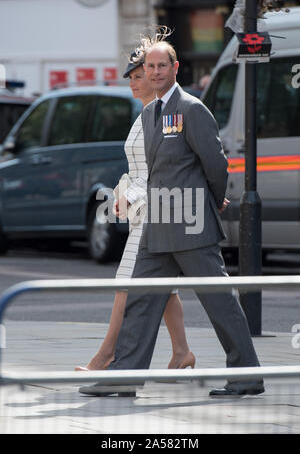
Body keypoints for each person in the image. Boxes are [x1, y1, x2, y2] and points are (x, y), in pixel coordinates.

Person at [79, 33, 264, 398]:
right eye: (151, 66)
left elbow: (215, 163)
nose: (156, 71)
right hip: (157, 222)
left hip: (191, 221)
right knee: (140, 299)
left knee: (220, 301)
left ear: (175, 68)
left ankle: (247, 376)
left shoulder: (192, 108)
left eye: (163, 65)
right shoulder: (149, 113)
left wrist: (213, 200)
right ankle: (122, 379)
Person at [75, 50, 195, 372]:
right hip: (145, 210)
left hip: (157, 211)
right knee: (161, 286)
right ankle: (182, 352)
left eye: (139, 75)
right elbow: (139, 169)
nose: (134, 82)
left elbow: (163, 170)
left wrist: (134, 193)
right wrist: (122, 191)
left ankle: (107, 355)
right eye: (131, 76)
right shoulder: (143, 115)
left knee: (126, 281)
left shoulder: (162, 115)